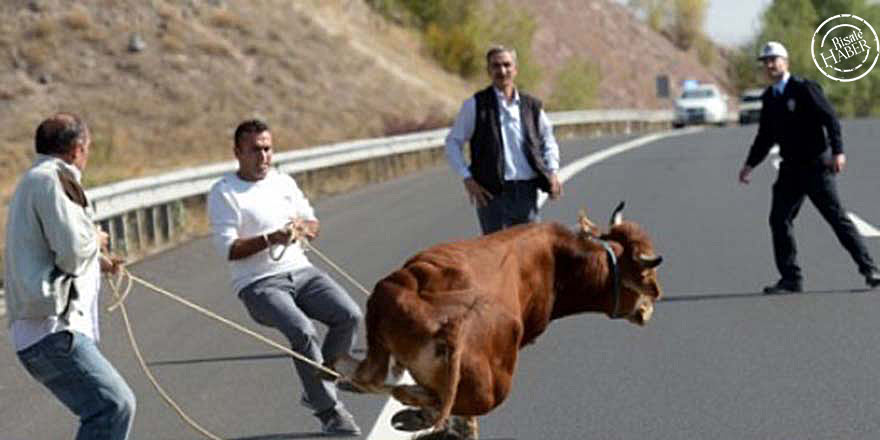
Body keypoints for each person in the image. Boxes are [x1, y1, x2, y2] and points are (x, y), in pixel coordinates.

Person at [207, 119, 363, 436]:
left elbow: (313, 222)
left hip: (301, 271)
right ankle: (329, 410)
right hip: (258, 284)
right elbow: (229, 249)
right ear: (238, 152)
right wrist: (270, 239)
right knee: (303, 332)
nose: (263, 156)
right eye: (255, 150)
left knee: (349, 314)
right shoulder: (224, 193)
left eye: (267, 149)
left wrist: (304, 229)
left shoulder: (283, 182)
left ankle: (321, 380)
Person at [5, 113, 136, 439]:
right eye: (88, 147)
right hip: (53, 329)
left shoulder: (35, 179)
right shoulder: (53, 180)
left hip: (42, 330)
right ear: (78, 148)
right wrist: (96, 240)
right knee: (113, 407)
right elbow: (74, 250)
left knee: (107, 408)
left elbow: (57, 249)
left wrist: (98, 261)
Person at [738, 41, 880, 293]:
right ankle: (791, 278)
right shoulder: (770, 98)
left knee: (837, 219)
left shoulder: (804, 88)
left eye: (774, 60)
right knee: (779, 220)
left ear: (786, 62)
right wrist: (750, 165)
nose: (770, 65)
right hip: (790, 170)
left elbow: (830, 118)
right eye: (766, 62)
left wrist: (838, 151)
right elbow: (765, 136)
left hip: (816, 166)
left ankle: (869, 269)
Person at [445, 45, 563, 235]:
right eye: (496, 66)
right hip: (492, 196)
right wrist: (467, 178)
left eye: (507, 65)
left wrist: (553, 171)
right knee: (497, 259)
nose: (502, 71)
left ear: (515, 69)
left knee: (530, 256)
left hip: (527, 192)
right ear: (488, 71)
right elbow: (453, 142)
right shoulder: (475, 105)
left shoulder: (531, 106)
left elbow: (547, 138)